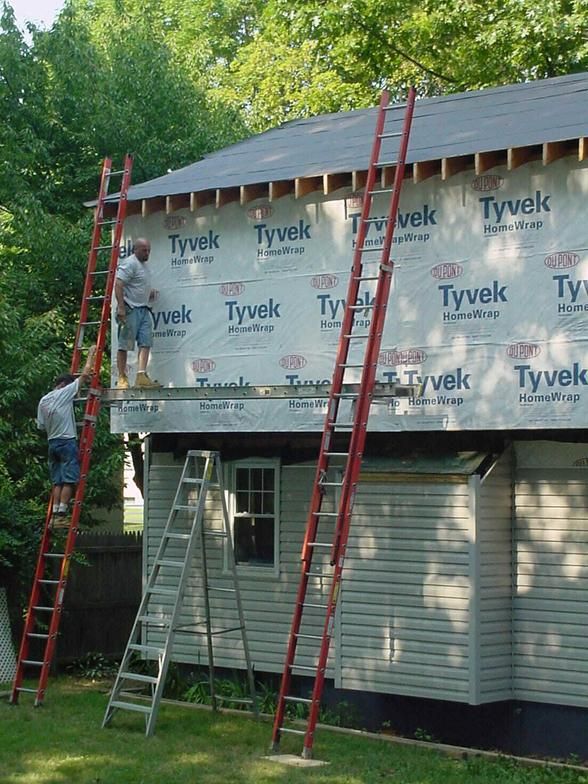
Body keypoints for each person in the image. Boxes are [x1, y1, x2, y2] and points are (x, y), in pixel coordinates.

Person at [37, 345, 97, 523]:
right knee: (69, 480)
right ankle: (62, 513)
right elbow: (85, 375)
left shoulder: (44, 400)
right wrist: (91, 354)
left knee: (57, 481)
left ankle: (55, 512)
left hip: (52, 443)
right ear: (64, 385)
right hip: (66, 442)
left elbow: (41, 426)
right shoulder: (64, 392)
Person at [114, 237, 160, 389]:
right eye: (144, 250)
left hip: (143, 308)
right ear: (135, 250)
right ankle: (122, 377)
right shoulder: (130, 263)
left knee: (146, 342)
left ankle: (141, 375)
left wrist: (148, 293)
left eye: (149, 251)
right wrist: (121, 307)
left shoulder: (144, 266)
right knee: (124, 344)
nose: (147, 253)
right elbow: (119, 284)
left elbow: (138, 285)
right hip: (130, 309)